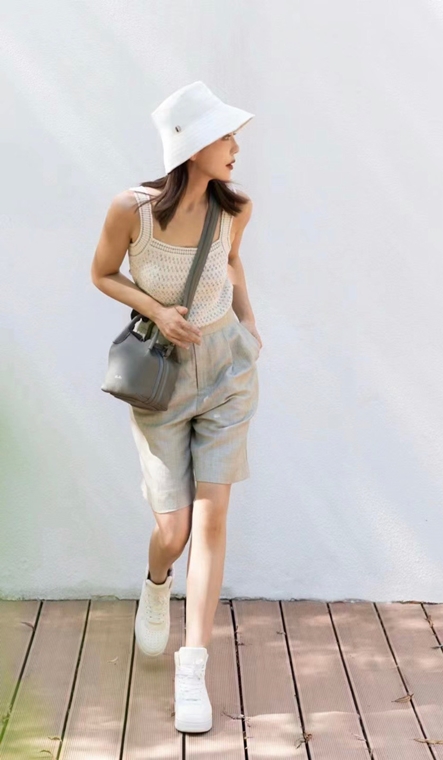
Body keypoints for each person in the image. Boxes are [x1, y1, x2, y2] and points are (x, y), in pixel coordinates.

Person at [90, 81, 260, 734]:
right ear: (191, 146)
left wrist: (250, 325)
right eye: (225, 136)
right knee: (175, 531)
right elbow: (103, 273)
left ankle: (193, 669)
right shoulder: (129, 211)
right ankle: (156, 580)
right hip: (161, 381)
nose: (236, 147)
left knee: (212, 520)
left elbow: (233, 264)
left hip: (227, 373)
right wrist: (158, 311)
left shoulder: (236, 208)